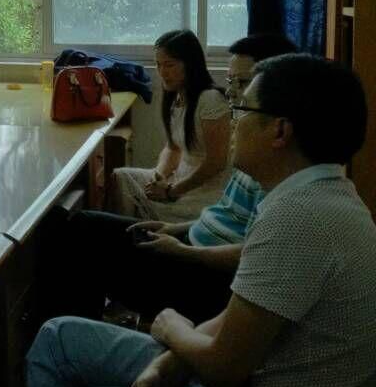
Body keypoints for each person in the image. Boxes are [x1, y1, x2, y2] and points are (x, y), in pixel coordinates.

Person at [27, 54, 376, 387]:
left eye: (242, 110)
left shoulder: (297, 217)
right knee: (58, 338)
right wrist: (167, 363)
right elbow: (232, 319)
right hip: (237, 377)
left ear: (280, 131)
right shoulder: (327, 197)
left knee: (58, 352)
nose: (233, 122)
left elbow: (224, 367)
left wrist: (172, 329)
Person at [62, 34, 297, 324]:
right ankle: (75, 326)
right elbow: (220, 210)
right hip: (191, 237)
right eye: (232, 82)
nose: (232, 96)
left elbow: (256, 255)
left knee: (86, 243)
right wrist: (174, 226)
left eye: (243, 83)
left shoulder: (285, 179)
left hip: (200, 265)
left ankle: (75, 329)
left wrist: (183, 248)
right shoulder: (252, 163)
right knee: (77, 223)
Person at [111, 30, 230, 221]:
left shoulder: (210, 99)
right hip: (177, 178)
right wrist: (158, 176)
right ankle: (128, 231)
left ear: (190, 64)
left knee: (136, 193)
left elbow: (216, 163)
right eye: (158, 65)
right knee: (121, 176)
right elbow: (173, 148)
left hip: (204, 190)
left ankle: (136, 233)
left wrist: (171, 191)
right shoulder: (177, 98)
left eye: (169, 65)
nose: (162, 72)